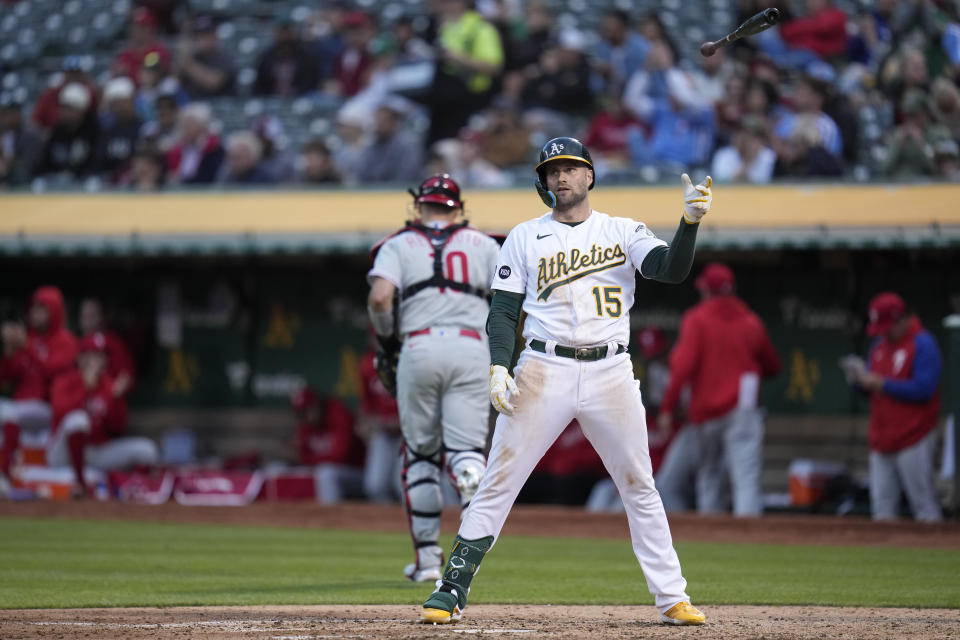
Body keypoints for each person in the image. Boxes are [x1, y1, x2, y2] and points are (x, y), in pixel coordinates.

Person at [420, 137, 713, 626]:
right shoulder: (524, 236)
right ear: (543, 181)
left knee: (639, 483)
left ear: (590, 176)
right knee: (499, 481)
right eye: (553, 170)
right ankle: (450, 587)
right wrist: (498, 364)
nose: (563, 177)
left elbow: (671, 270)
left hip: (610, 370)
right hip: (543, 367)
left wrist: (689, 224)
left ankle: (672, 597)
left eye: (572, 168)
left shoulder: (622, 229)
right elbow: (503, 311)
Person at [367, 174, 500, 582]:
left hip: (420, 345)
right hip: (472, 346)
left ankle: (427, 562)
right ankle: (468, 486)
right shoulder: (485, 244)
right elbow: (514, 300)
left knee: (421, 455)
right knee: (466, 451)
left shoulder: (397, 244)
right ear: (457, 207)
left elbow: (379, 298)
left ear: (419, 206)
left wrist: (388, 341)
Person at [657, 263, 781, 517]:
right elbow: (772, 366)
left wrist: (668, 408)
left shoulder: (696, 319)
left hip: (706, 412)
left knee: (709, 477)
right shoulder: (751, 322)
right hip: (741, 410)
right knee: (745, 478)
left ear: (705, 290)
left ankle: (710, 541)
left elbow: (682, 368)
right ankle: (748, 541)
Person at [839, 292, 943, 523]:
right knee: (882, 507)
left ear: (902, 318)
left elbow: (924, 389)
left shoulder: (923, 343)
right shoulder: (879, 346)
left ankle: (933, 555)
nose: (885, 332)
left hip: (914, 435)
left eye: (888, 326)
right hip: (882, 436)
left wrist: (882, 384)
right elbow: (870, 389)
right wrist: (859, 380)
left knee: (923, 503)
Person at [46, 333, 158, 496]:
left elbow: (118, 428)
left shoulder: (108, 383)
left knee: (147, 450)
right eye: (94, 355)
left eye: (102, 356)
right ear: (81, 358)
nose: (100, 361)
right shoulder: (64, 380)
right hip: (63, 453)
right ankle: (80, 483)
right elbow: (61, 413)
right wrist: (86, 388)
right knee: (78, 420)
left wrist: (116, 399)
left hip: (95, 452)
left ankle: (132, 491)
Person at [0, 287, 77, 482]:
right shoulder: (30, 338)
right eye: (33, 308)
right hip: (22, 410)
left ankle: (4, 474)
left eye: (41, 308)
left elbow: (51, 370)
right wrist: (9, 352)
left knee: (8, 412)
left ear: (54, 311)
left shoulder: (65, 340)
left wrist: (26, 346)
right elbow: (6, 377)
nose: (35, 313)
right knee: (8, 412)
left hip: (47, 410)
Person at [291, 386, 365, 504]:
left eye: (306, 411)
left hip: (356, 473)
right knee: (278, 470)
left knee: (326, 474)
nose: (304, 417)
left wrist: (307, 460)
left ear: (316, 405)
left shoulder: (338, 415)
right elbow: (302, 456)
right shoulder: (305, 425)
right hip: (324, 470)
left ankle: (332, 519)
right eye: (300, 413)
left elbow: (340, 457)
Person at [357, 337, 403, 503]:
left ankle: (411, 523)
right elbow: (367, 407)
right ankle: (386, 526)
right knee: (374, 486)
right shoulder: (367, 365)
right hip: (383, 432)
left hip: (408, 432)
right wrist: (370, 424)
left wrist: (402, 421)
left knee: (403, 486)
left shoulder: (408, 358)